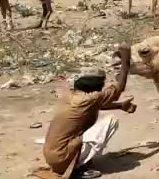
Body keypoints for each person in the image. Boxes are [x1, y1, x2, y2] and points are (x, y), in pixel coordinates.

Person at [43, 44, 136, 179]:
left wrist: (120, 106)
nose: (103, 85)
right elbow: (118, 88)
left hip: (52, 156)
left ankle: (76, 161)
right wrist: (126, 59)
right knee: (111, 121)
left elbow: (95, 106)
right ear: (96, 85)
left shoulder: (71, 95)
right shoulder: (90, 98)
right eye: (102, 83)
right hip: (63, 158)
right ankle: (77, 169)